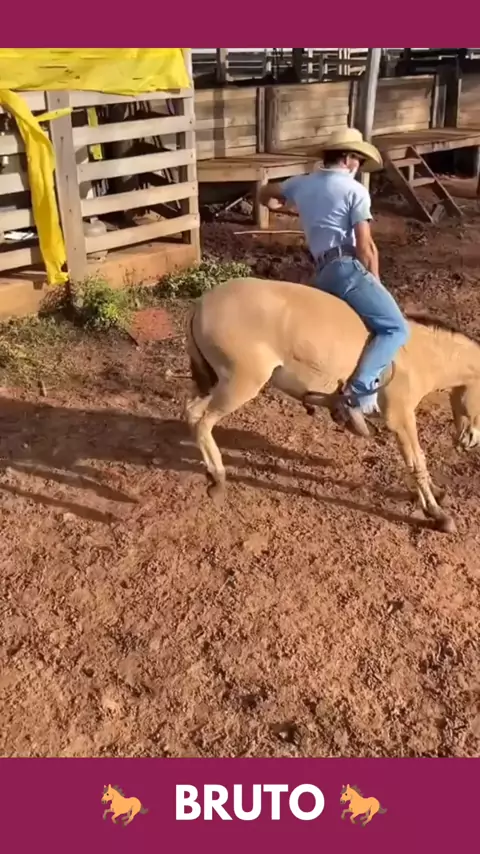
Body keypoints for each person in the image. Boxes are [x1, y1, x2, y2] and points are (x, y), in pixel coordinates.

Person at [258, 127, 410, 436]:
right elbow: (366, 246)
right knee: (396, 327)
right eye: (359, 161)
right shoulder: (355, 191)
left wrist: (277, 204)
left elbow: (265, 193)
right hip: (346, 268)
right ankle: (359, 392)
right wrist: (375, 282)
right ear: (350, 158)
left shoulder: (301, 183)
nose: (359, 167)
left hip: (321, 271)